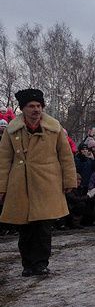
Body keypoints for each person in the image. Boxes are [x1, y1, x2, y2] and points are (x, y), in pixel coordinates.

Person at [0, 88, 78, 276]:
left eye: (38, 106)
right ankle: (28, 265)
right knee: (25, 229)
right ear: (23, 109)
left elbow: (66, 156)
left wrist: (69, 180)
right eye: (31, 106)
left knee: (43, 228)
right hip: (21, 184)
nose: (36, 110)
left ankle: (41, 263)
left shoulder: (54, 128)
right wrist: (2, 187)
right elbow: (3, 160)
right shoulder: (12, 131)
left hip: (47, 183)